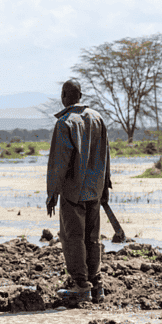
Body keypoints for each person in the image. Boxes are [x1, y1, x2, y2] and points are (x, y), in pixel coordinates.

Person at [46, 79, 112, 304]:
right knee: (92, 237)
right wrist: (106, 186)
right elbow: (106, 155)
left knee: (72, 237)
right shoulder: (98, 118)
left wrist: (52, 193)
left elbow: (59, 162)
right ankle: (96, 285)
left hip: (73, 191)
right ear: (80, 96)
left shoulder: (65, 123)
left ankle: (81, 285)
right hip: (95, 188)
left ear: (64, 96)